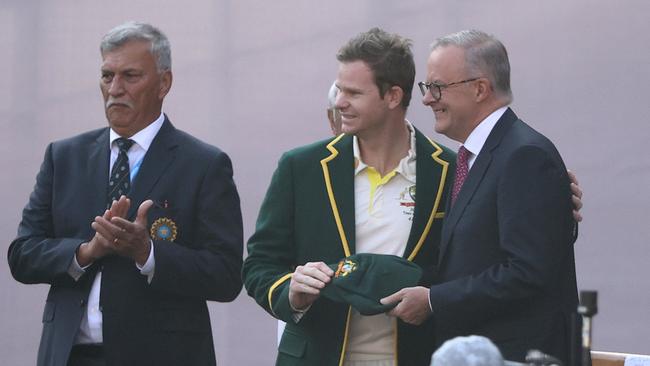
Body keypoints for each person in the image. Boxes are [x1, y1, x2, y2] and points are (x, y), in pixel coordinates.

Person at [7, 22, 243, 366]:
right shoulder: (64, 157)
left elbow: (226, 276)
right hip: (70, 354)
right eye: (107, 76)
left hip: (162, 356)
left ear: (164, 83)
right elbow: (23, 254)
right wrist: (86, 251)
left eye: (130, 76)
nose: (115, 89)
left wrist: (147, 253)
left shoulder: (204, 165)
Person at [244, 27, 453, 366]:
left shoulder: (448, 170)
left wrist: (432, 300)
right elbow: (258, 266)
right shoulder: (301, 166)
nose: (339, 102)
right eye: (339, 89)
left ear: (393, 96)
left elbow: (469, 269)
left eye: (353, 93)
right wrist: (292, 292)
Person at [382, 30, 579, 364]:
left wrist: (434, 300)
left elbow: (528, 271)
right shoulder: (474, 158)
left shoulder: (524, 155)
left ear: (480, 89)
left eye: (437, 87)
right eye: (427, 88)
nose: (428, 99)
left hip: (517, 354)